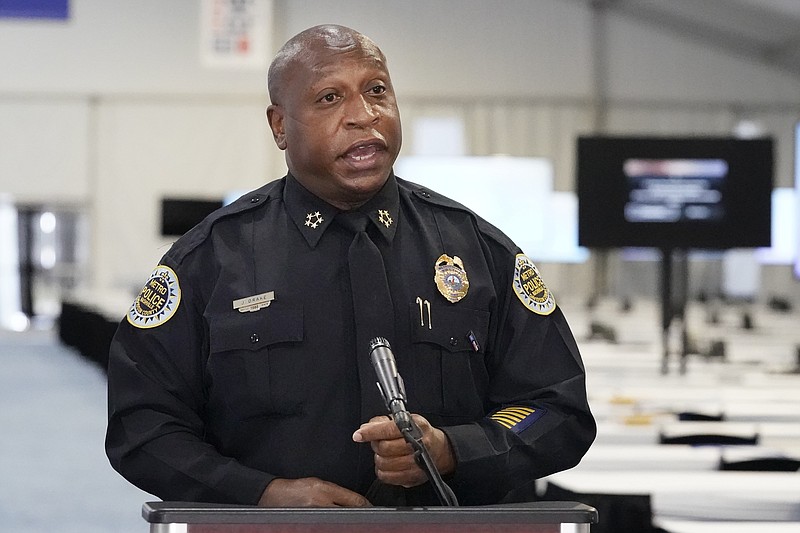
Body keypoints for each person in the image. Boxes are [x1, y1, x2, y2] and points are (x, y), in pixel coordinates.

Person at [105, 24, 596, 508]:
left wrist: (454, 451)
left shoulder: (480, 251)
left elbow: (558, 409)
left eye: (377, 90)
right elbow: (142, 425)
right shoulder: (210, 260)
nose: (363, 115)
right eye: (329, 98)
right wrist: (261, 495)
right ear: (279, 126)